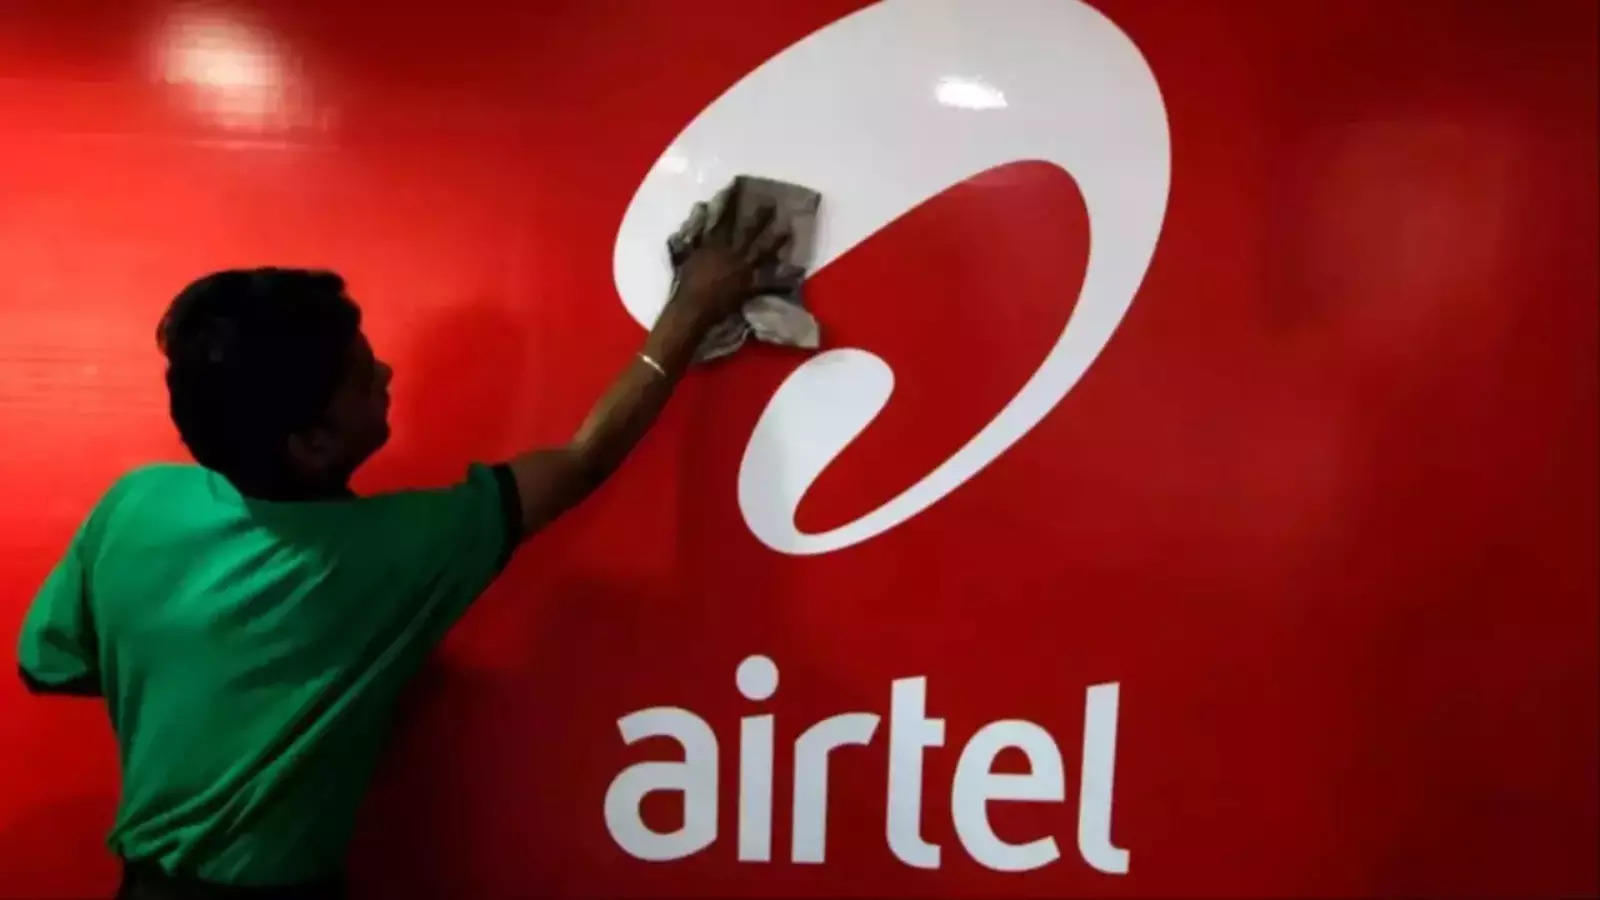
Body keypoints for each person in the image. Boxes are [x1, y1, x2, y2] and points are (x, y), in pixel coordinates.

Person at [15, 199, 790, 899]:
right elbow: (583, 461)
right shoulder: (395, 550)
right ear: (312, 443)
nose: (385, 374)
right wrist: (690, 311)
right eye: (361, 380)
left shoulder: (135, 505)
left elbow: (48, 664)